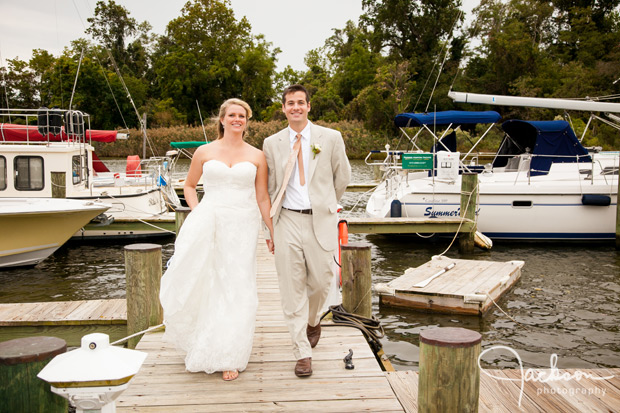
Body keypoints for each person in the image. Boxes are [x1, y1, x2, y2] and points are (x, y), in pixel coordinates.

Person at [159, 98, 274, 382]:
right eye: (232, 115)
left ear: (247, 122)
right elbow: (188, 185)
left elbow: (262, 197)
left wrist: (272, 230)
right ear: (222, 120)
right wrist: (198, 212)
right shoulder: (204, 151)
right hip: (210, 220)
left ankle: (230, 354)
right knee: (209, 281)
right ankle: (205, 342)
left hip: (243, 226)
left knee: (237, 285)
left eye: (242, 116)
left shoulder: (257, 155)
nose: (237, 119)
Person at [263, 84, 351, 377]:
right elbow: (271, 187)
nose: (296, 107)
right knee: (291, 288)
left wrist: (325, 204)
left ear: (309, 106)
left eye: (301, 102)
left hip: (320, 220)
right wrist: (270, 229)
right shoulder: (272, 143)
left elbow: (343, 177)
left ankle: (313, 320)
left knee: (322, 282)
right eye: (290, 103)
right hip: (286, 220)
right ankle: (301, 351)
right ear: (284, 108)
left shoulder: (331, 137)